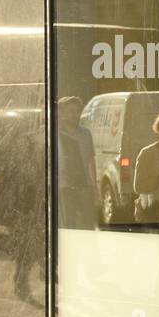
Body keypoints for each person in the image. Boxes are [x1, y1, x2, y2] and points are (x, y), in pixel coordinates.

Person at [55, 95, 98, 229]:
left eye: (77, 111)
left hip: (84, 187)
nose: (75, 114)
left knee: (86, 226)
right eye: (70, 111)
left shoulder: (85, 134)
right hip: (64, 188)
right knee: (68, 225)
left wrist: (94, 187)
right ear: (61, 113)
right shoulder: (54, 134)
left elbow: (91, 161)